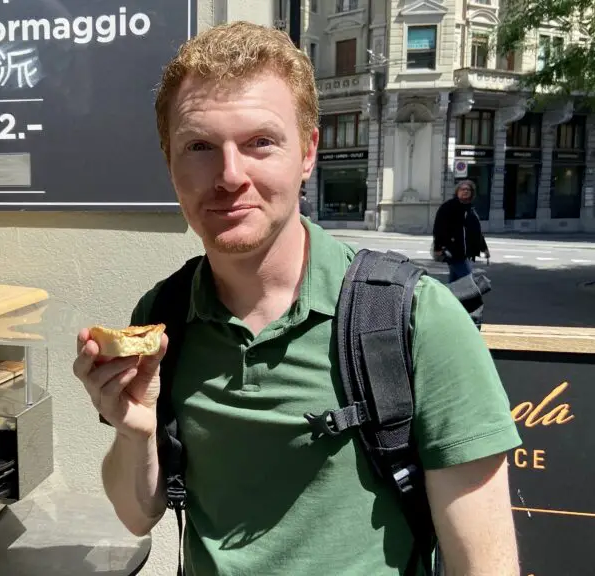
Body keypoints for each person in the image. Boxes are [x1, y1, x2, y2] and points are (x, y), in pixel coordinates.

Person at [72, 22, 521, 576]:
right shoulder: (163, 317)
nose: (230, 175)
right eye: (199, 147)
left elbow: (484, 564)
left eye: (260, 142)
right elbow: (137, 517)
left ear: (307, 152)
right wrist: (133, 430)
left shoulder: (413, 320)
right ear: (170, 164)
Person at [432, 180, 490, 283]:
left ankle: (450, 298)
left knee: (455, 284)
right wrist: (438, 247)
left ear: (472, 193)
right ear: (457, 191)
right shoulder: (448, 207)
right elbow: (438, 228)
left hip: (465, 253)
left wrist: (484, 248)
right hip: (453, 251)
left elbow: (476, 232)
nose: (465, 191)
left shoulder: (470, 209)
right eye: (462, 189)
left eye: (468, 189)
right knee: (468, 283)